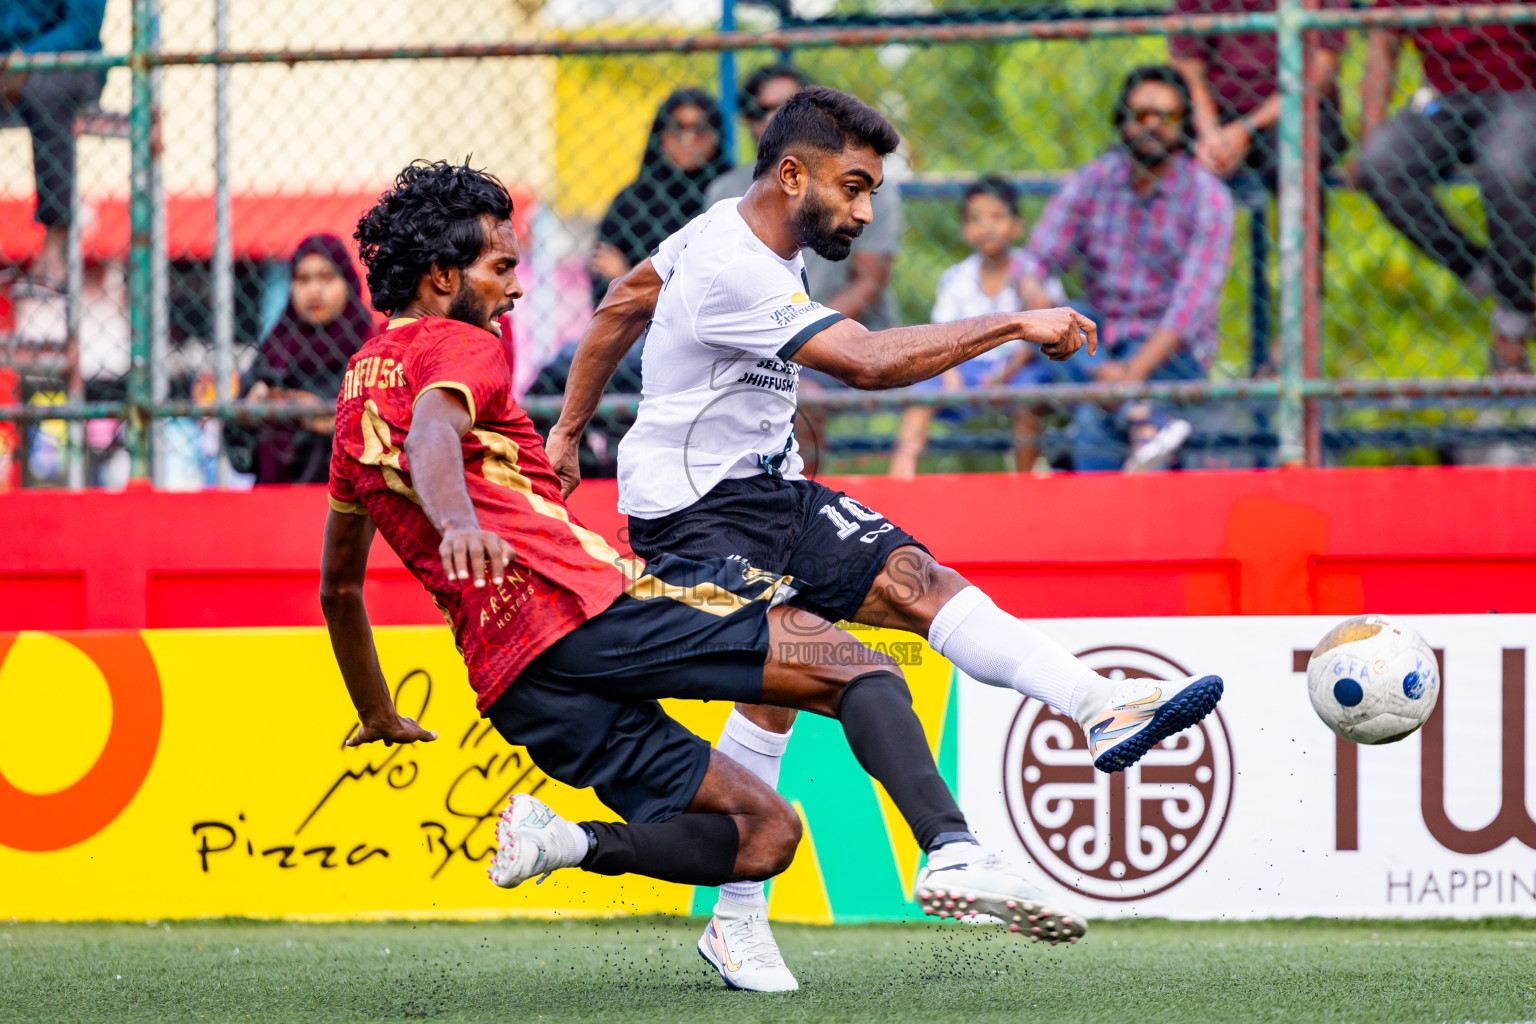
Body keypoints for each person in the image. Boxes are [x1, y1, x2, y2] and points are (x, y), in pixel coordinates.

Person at [323, 161, 1087, 997]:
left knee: (764, 833)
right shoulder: (460, 346)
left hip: (512, 680)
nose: (513, 291)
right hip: (589, 610)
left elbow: (340, 589)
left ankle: (568, 843)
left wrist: (375, 709)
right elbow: (436, 428)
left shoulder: (354, 397)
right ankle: (954, 849)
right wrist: (458, 519)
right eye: (500, 270)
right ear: (441, 278)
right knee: (858, 666)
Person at [547, 87, 1225, 989]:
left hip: (765, 490)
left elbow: (624, 301)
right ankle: (946, 851)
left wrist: (567, 429)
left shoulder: (728, 230)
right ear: (793, 175)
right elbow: (865, 364)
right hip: (695, 517)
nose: (866, 211)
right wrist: (1016, 321)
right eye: (854, 187)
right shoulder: (732, 267)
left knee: (915, 579)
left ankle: (1099, 707)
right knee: (834, 668)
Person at [1016, 65, 1234, 471]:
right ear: (1123, 120)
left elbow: (1190, 307)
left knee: (1093, 418)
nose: (1151, 125)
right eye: (1140, 115)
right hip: (1097, 345)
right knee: (1062, 316)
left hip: (1170, 352)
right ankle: (1142, 418)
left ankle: (1128, 417)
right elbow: (1034, 260)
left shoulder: (1209, 198)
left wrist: (1128, 376)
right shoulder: (1093, 180)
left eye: (1165, 117)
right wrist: (1037, 298)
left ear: (1184, 123)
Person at [1355, 0, 1536, 375]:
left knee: (1506, 170)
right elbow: (1382, 43)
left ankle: (1512, 323)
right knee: (1381, 164)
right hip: (1443, 100)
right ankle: (1486, 274)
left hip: (1519, 91)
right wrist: (1368, 134)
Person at [889, 176, 1067, 479]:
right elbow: (941, 336)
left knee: (1032, 391)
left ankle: (1025, 477)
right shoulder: (956, 278)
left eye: (997, 217)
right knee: (921, 392)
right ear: (964, 229)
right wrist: (950, 375)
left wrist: (1004, 375)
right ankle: (901, 475)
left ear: (1017, 225)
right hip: (963, 366)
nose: (986, 226)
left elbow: (1047, 334)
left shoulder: (1034, 274)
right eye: (975, 218)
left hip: (1017, 368)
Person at [705, 64, 904, 334]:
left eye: (790, 108)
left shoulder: (867, 186)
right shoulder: (725, 191)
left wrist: (803, 334)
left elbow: (867, 284)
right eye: (765, 109)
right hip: (759, 337)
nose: (777, 117)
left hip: (848, 331)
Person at [228, 233, 377, 483]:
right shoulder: (276, 348)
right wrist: (251, 414)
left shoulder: (369, 346)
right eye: (303, 279)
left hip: (351, 499)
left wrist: (323, 417)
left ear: (348, 282)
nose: (313, 291)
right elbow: (237, 452)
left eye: (326, 277)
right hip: (275, 498)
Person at [1169, 0, 1350, 190]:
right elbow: (1189, 73)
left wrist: (1246, 128)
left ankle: (1303, 219)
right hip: (1215, 111)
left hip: (1295, 109)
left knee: (1292, 158)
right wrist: (1211, 136)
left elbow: (1320, 72)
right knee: (1166, 147)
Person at [0, 0, 108, 295]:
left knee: (43, 93)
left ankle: (55, 243)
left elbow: (82, 26)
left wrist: (26, 59)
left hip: (70, 64)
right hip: (7, 63)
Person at [591, 89, 731, 308]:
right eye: (677, 129)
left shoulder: (730, 196)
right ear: (660, 135)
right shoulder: (631, 202)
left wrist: (628, 278)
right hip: (639, 333)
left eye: (700, 129)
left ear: (716, 136)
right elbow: (603, 277)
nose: (687, 139)